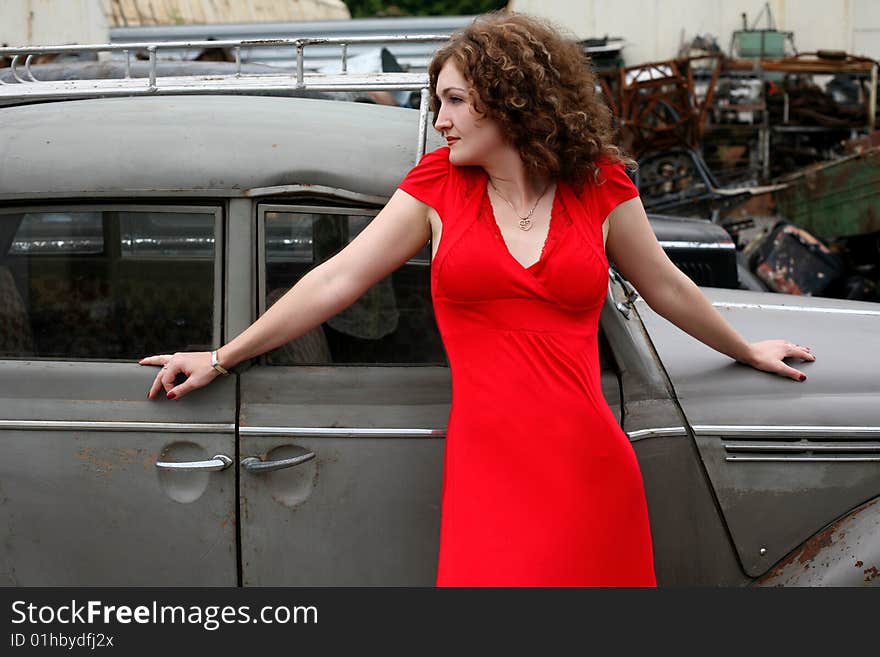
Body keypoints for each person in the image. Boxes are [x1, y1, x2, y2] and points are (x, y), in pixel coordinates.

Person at [139, 12, 815, 587]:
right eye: (439, 102)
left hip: (589, 467)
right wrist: (222, 357)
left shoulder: (601, 185)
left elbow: (666, 284)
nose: (440, 121)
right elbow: (338, 278)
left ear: (511, 96)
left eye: (455, 101)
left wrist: (745, 347)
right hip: (488, 471)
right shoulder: (436, 186)